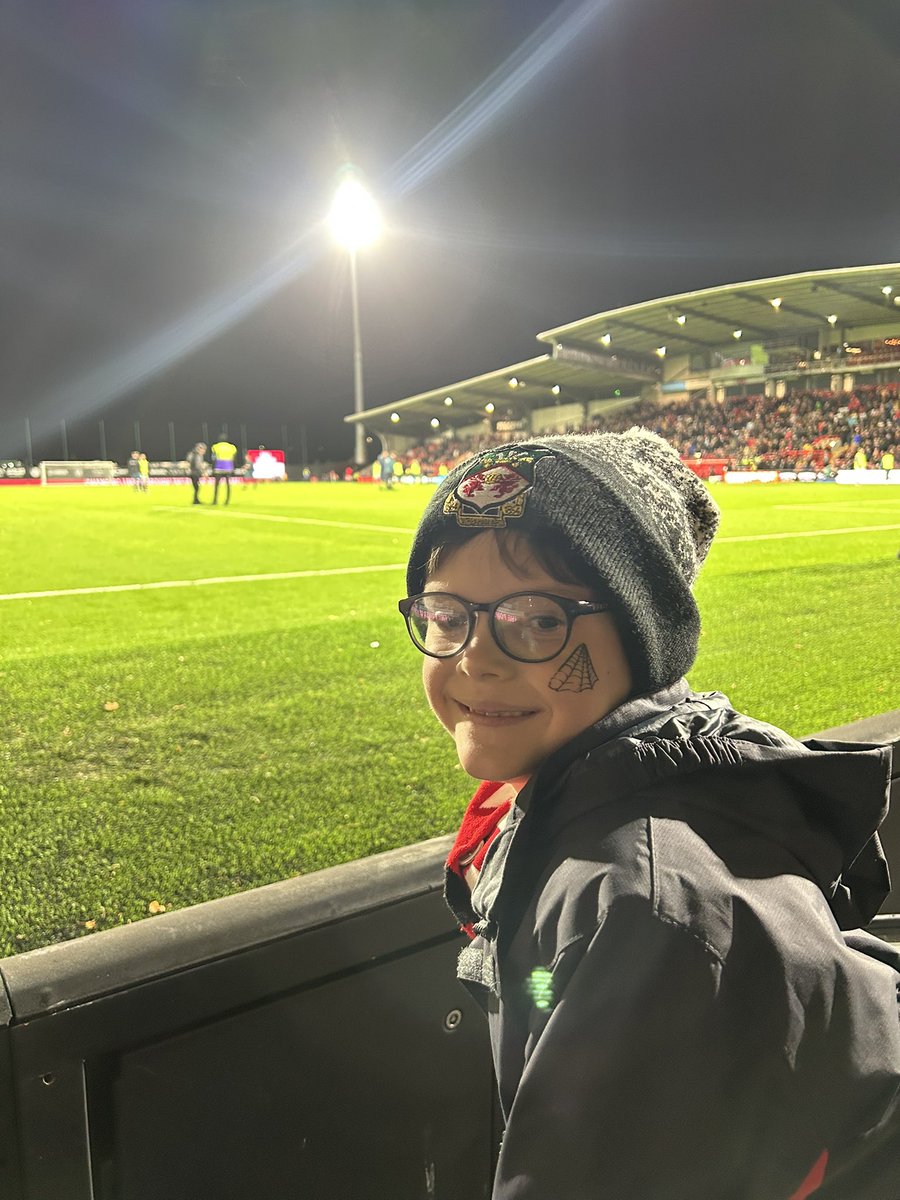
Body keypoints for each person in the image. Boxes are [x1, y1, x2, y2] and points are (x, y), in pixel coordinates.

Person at [398, 430, 900, 1200]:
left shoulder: (644, 909)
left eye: (537, 620)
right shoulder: (585, 796)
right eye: (445, 615)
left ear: (645, 639)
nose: (474, 658)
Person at [210, 434, 237, 506]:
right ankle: (227, 501)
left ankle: (215, 501)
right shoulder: (232, 447)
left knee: (217, 485)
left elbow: (213, 458)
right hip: (228, 467)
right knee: (228, 485)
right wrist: (234, 468)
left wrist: (213, 468)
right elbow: (234, 459)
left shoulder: (215, 446)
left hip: (219, 467)